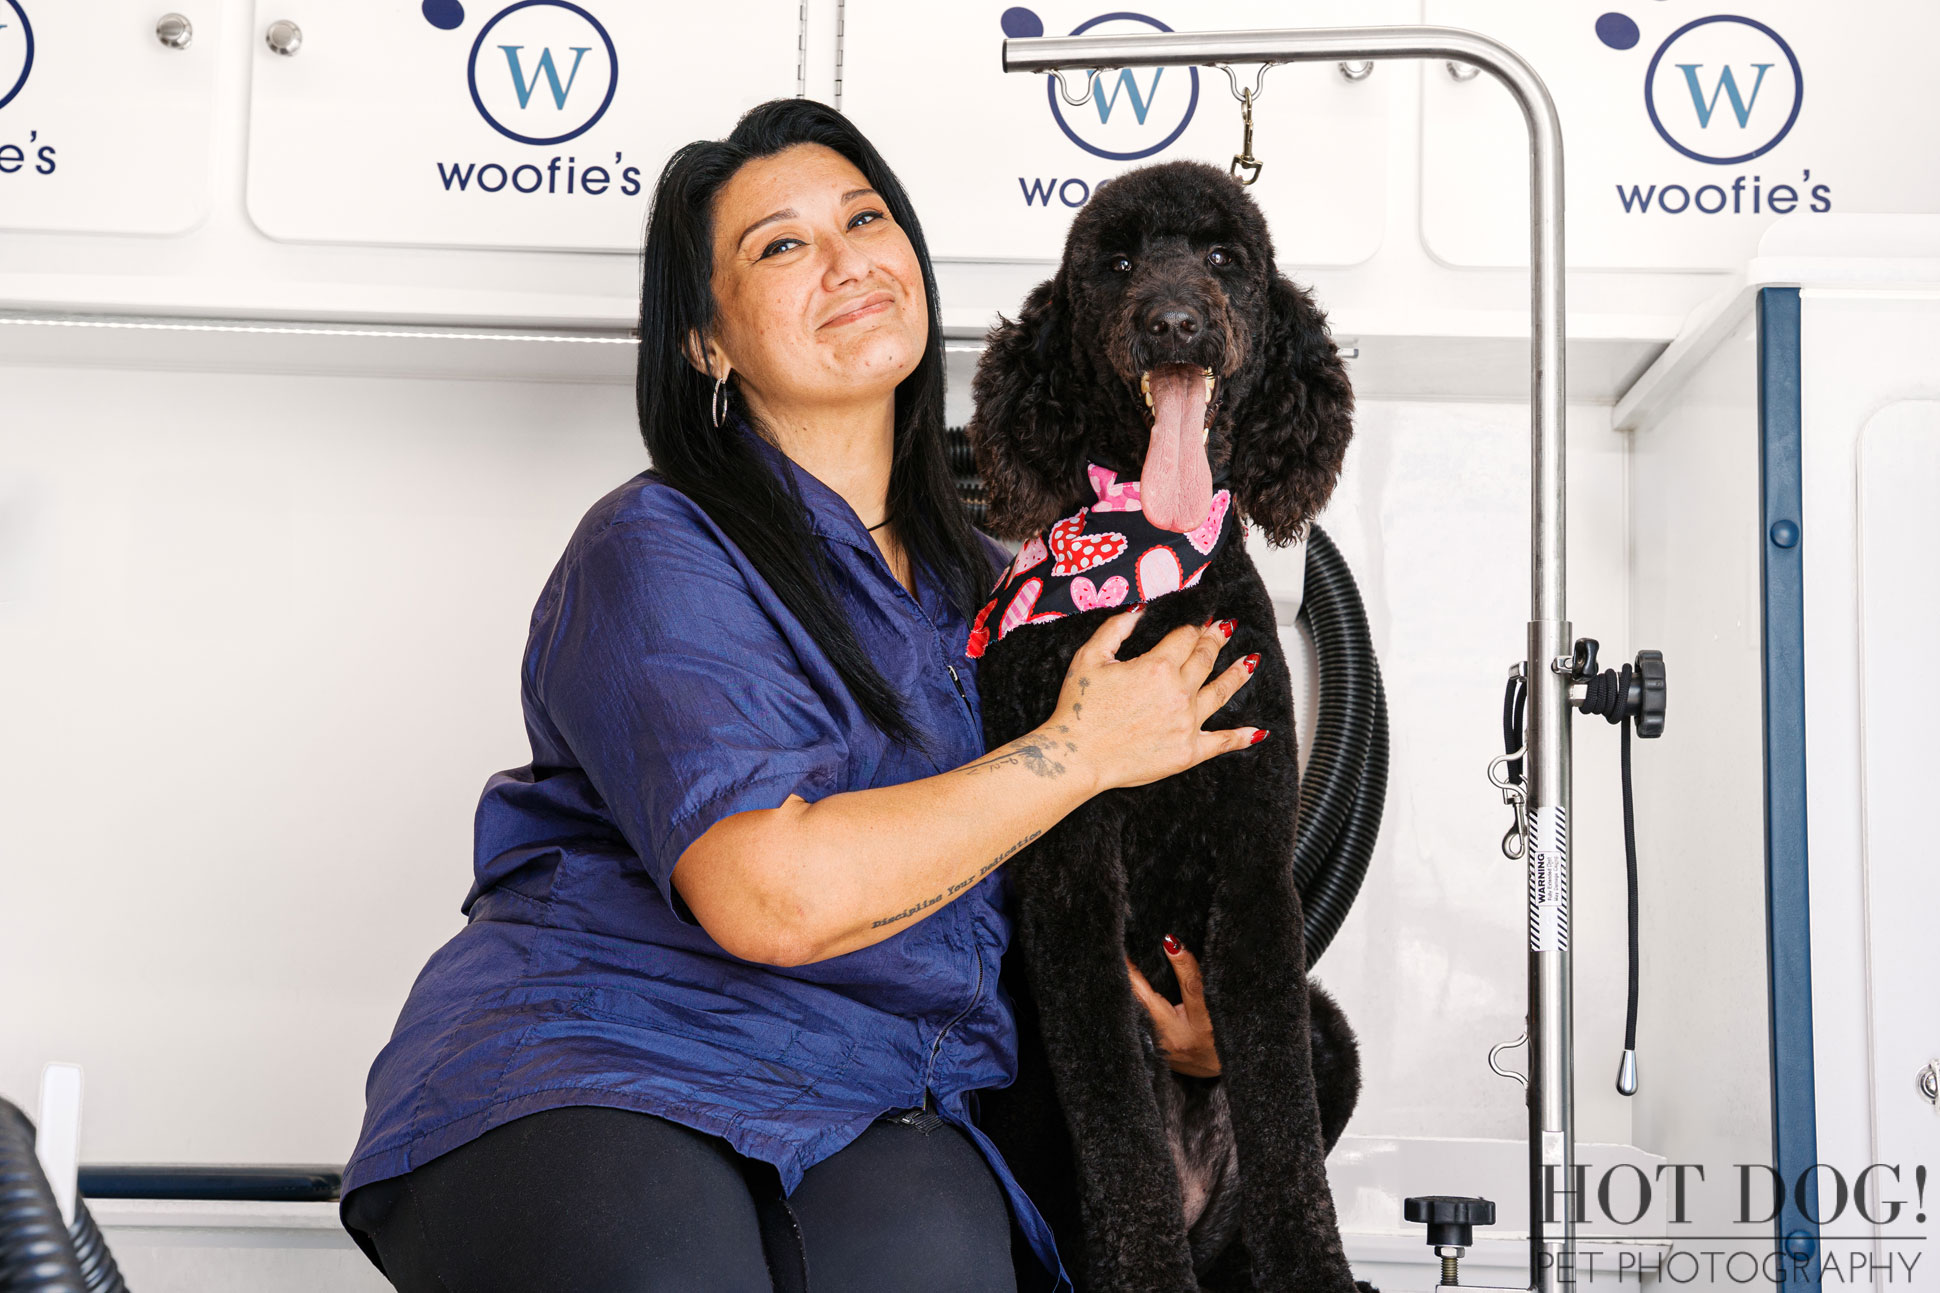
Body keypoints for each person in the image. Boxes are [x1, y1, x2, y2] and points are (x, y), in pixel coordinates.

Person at [336, 98, 1261, 1293]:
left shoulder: (1010, 585)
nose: (847, 261)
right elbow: (770, 896)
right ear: (705, 342)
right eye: (780, 245)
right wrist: (1074, 752)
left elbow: (1075, 888)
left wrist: (1189, 1039)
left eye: (865, 219)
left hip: (884, 1091)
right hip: (603, 1051)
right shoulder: (657, 546)